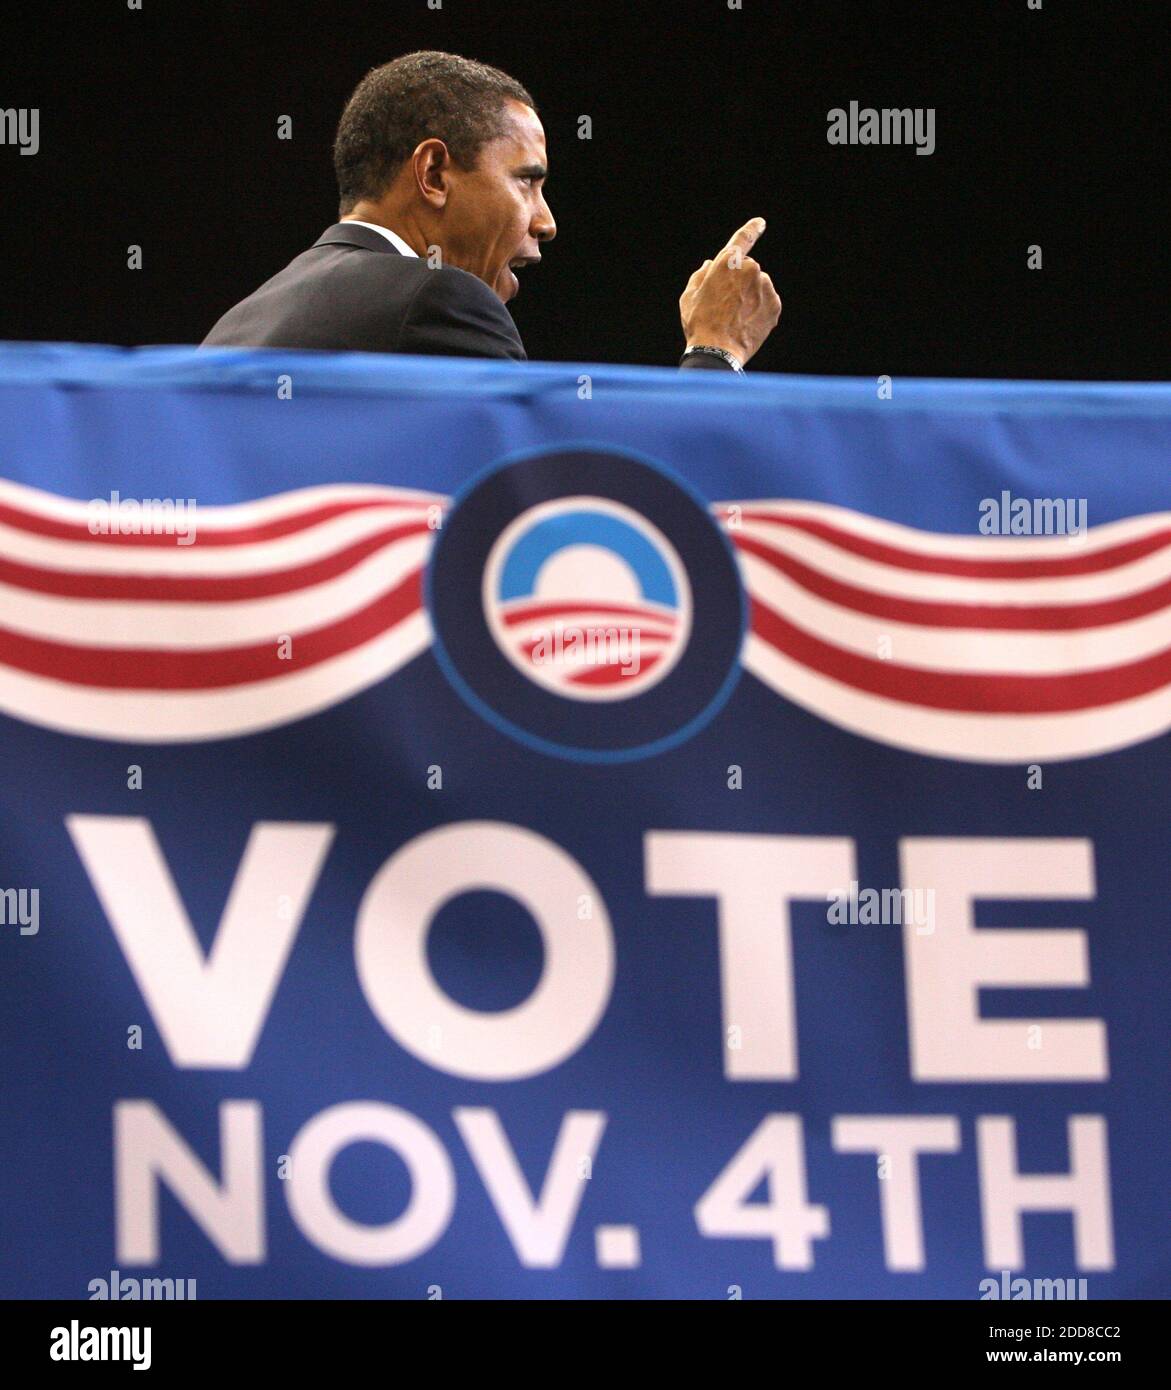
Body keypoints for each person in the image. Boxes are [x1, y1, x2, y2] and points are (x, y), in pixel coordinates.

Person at [202, 51, 781, 373]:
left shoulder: (238, 322)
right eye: (527, 181)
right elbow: (576, 506)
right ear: (433, 174)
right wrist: (714, 347)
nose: (546, 222)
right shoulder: (437, 299)